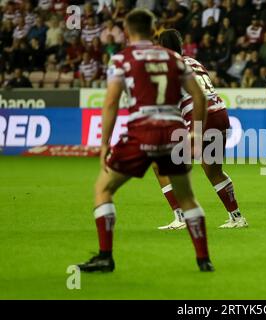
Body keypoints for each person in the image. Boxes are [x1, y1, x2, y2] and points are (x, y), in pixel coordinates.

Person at [76, 9, 214, 273]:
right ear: (154, 32)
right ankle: (203, 259)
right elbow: (200, 97)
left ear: (126, 32)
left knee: (103, 189)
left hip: (141, 132)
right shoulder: (174, 59)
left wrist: (105, 143)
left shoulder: (122, 59)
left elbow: (111, 102)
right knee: (188, 198)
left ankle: (105, 256)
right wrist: (195, 133)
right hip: (174, 132)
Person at [155, 29, 248, 230]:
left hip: (201, 119)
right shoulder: (194, 62)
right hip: (220, 114)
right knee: (213, 170)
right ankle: (237, 217)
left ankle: (180, 217)